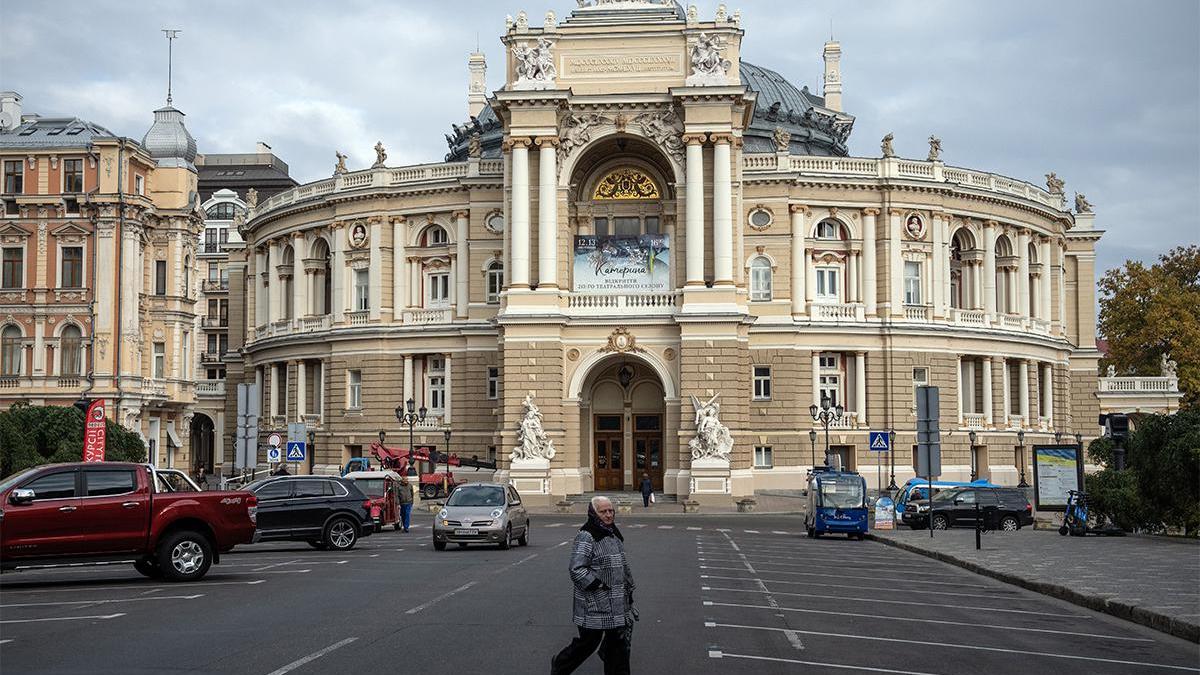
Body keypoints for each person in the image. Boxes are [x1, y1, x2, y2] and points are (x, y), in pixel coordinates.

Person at [551, 496, 635, 675]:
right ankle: (560, 665)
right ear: (593, 513)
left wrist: (629, 589)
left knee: (617, 644)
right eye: (603, 511)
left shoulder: (612, 533)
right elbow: (577, 569)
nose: (608, 515)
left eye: (610, 511)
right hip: (594, 602)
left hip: (616, 602)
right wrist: (597, 585)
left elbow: (622, 564)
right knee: (588, 643)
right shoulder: (586, 536)